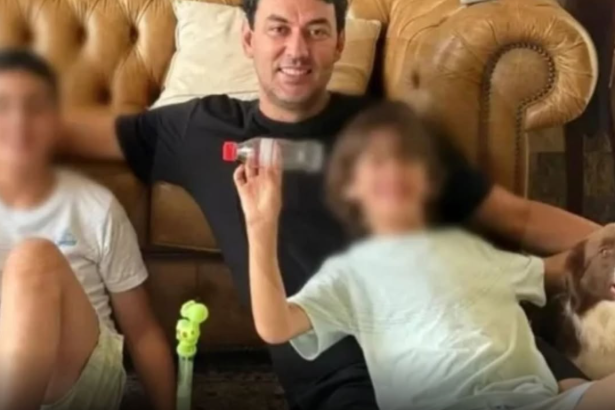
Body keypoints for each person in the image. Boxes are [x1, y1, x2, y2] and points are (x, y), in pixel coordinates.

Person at [61, 0, 601, 408]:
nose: (297, 50)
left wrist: (606, 241)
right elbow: (59, 132)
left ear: (340, 42)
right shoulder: (201, 130)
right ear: (248, 39)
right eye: (279, 28)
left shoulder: (390, 131)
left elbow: (516, 217)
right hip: (346, 379)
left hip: (481, 342)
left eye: (316, 31)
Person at [233, 100, 613, 410]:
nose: (393, 170)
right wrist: (261, 225)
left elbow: (555, 269)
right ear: (349, 186)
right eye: (376, 161)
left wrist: (605, 241)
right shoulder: (351, 275)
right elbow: (275, 326)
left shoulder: (470, 252)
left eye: (406, 159)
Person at [0, 50, 176, 410]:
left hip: (79, 378)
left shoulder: (94, 207)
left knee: (33, 258)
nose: (19, 122)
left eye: (34, 107)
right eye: (2, 107)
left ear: (55, 122)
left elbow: (142, 332)